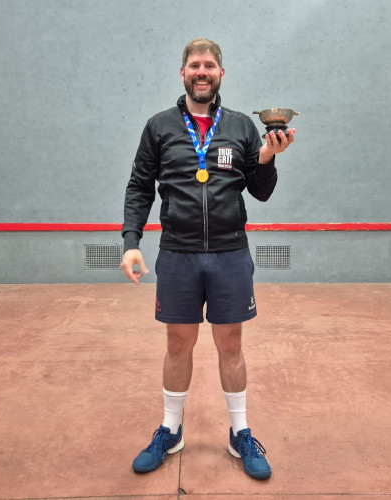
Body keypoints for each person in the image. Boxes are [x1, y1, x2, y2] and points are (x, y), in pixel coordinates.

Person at [120, 38, 296, 480]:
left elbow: (260, 191)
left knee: (230, 344)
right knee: (178, 343)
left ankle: (240, 432)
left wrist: (268, 158)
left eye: (210, 66)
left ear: (221, 74)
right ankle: (170, 429)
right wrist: (131, 240)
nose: (202, 72)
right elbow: (140, 185)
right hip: (177, 254)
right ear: (183, 73)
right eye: (195, 65)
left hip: (229, 254)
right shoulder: (159, 126)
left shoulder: (240, 126)